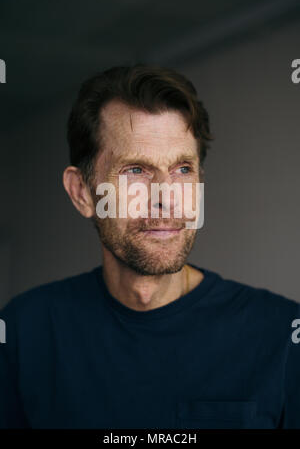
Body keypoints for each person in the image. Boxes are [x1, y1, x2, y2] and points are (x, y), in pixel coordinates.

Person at [0, 64, 299, 429]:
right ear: (82, 193)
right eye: (136, 171)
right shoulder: (23, 332)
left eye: (183, 170)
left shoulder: (283, 336)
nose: (166, 198)